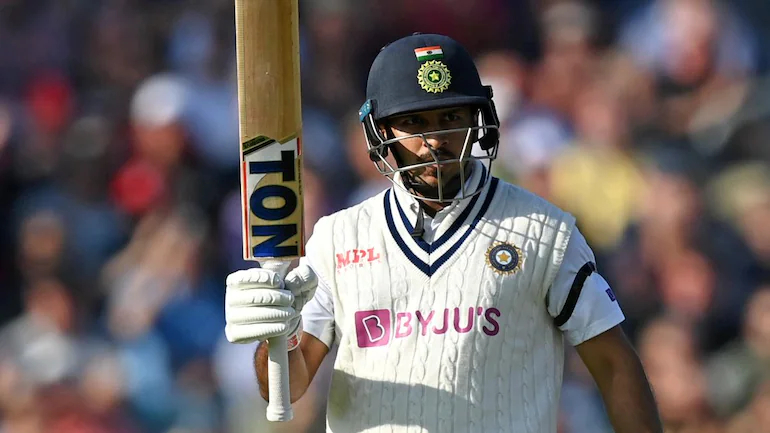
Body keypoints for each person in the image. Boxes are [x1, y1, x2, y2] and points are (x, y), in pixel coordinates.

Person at [224, 33, 663, 433]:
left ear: (478, 119)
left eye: (449, 116)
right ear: (380, 131)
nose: (435, 139)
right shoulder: (338, 238)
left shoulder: (544, 231)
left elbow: (613, 362)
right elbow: (290, 385)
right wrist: (275, 336)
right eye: (414, 123)